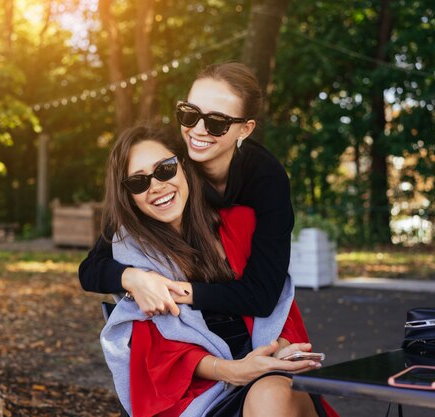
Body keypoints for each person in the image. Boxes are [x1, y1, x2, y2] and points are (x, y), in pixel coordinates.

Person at [99, 125, 337, 416]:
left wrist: (280, 349)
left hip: (268, 373)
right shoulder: (135, 258)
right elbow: (160, 352)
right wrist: (234, 371)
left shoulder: (242, 223)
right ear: (128, 196)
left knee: (269, 395)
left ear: (184, 166)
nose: (156, 186)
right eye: (138, 182)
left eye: (165, 169)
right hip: (199, 391)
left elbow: (277, 303)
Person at [79, 62, 293, 321]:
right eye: (190, 114)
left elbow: (263, 294)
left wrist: (171, 291)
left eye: (216, 121)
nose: (197, 130)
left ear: (245, 129)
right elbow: (91, 268)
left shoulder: (266, 179)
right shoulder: (167, 163)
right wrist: (134, 278)